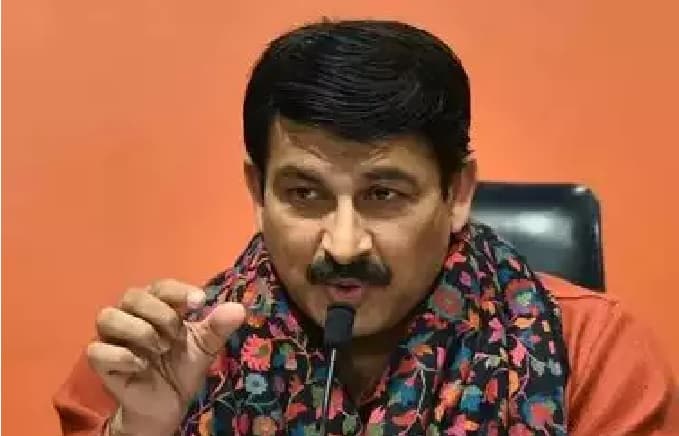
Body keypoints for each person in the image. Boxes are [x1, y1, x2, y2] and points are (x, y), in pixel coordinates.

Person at [54, 19, 678, 436]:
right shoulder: (147, 365)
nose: (344, 244)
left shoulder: (594, 354)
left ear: (457, 193)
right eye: (305, 194)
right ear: (257, 193)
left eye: (384, 195)